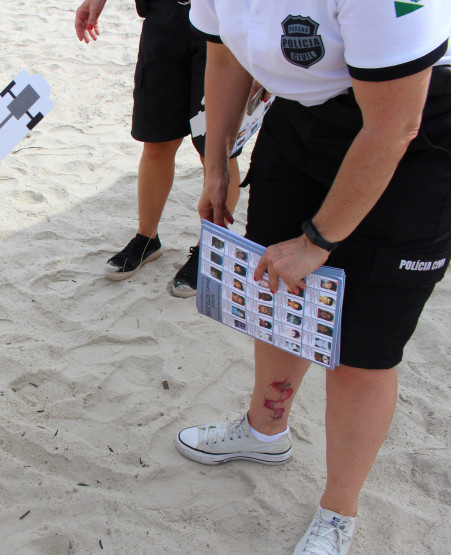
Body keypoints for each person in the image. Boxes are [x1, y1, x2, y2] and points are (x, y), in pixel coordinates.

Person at [174, 1, 450, 553]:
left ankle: (338, 509)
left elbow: (395, 126)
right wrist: (218, 161)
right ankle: (264, 429)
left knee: (361, 348)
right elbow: (225, 55)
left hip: (412, 133)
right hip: (302, 117)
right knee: (278, 297)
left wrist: (319, 240)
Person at [74, 0, 242, 297]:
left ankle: (213, 250)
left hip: (225, 22)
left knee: (216, 149)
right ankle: (147, 237)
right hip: (164, 17)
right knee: (156, 139)